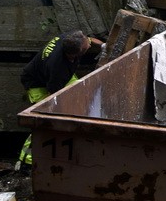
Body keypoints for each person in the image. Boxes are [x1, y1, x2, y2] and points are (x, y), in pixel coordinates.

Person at [18, 30, 103, 167]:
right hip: (38, 84)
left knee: (80, 92)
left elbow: (88, 40)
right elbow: (53, 95)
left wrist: (103, 45)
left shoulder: (69, 38)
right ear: (73, 56)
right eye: (86, 49)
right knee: (44, 120)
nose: (89, 46)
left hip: (53, 76)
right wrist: (47, 107)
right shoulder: (58, 68)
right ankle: (27, 161)